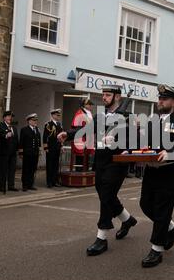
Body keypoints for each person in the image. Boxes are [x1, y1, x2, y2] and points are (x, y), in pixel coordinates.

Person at [58, 84, 137, 257]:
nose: (104, 97)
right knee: (104, 194)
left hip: (118, 162)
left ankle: (101, 238)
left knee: (107, 194)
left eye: (108, 95)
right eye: (103, 94)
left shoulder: (128, 116)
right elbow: (86, 129)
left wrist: (122, 143)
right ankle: (127, 220)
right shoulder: (101, 116)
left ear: (117, 97)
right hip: (101, 162)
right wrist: (68, 134)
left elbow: (135, 139)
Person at [137, 84, 174, 268]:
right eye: (159, 98)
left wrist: (170, 154)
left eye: (165, 98)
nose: (160, 101)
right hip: (151, 171)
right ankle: (171, 227)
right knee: (145, 205)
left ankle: (157, 250)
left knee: (162, 211)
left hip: (169, 174)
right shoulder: (151, 121)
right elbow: (142, 143)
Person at [0, 111, 19, 194]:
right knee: (3, 170)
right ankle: (1, 186)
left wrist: (17, 150)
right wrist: (6, 135)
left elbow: (16, 140)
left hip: (13, 152)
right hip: (4, 151)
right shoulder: (0, 125)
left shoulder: (14, 127)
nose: (10, 118)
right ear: (4, 117)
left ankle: (11, 185)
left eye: (11, 117)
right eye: (8, 116)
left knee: (12, 169)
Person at [19, 114, 42, 192]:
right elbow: (21, 142)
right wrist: (21, 153)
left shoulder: (37, 129)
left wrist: (40, 150)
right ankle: (24, 185)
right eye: (33, 120)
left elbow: (39, 141)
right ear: (29, 121)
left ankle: (30, 184)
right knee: (26, 169)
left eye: (36, 120)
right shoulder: (24, 129)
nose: (35, 122)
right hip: (27, 152)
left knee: (33, 169)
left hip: (35, 153)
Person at [71, 99, 95, 172]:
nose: (91, 106)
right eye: (89, 105)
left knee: (86, 156)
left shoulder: (89, 113)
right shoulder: (80, 113)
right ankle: (79, 172)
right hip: (81, 138)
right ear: (85, 105)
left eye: (91, 105)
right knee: (80, 157)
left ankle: (85, 171)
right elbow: (76, 126)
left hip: (88, 138)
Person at [43, 109, 64, 187]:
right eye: (57, 115)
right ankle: (49, 182)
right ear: (52, 115)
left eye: (59, 115)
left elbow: (61, 137)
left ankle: (55, 181)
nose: (58, 116)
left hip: (57, 148)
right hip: (50, 148)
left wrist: (62, 146)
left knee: (56, 165)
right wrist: (46, 148)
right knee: (50, 165)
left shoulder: (59, 125)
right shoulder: (48, 124)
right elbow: (45, 137)